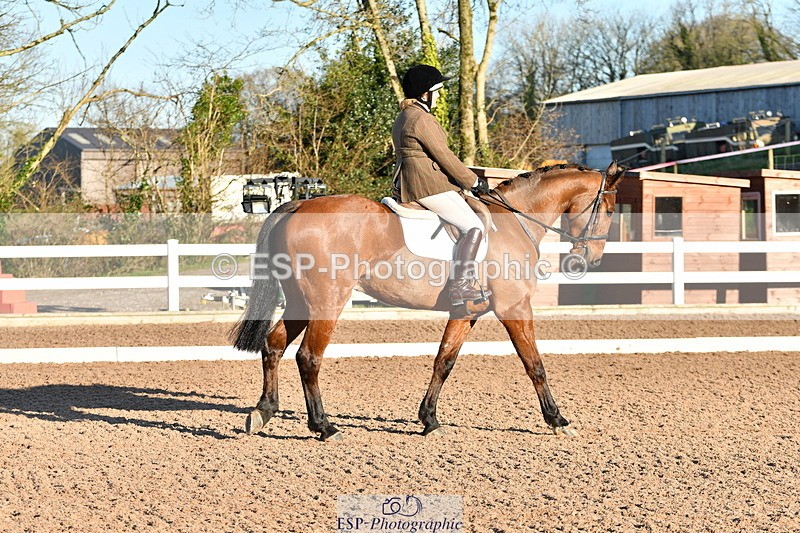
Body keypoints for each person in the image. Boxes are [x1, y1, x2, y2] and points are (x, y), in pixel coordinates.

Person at [392, 64, 491, 306]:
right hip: (426, 185)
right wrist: (473, 181)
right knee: (473, 226)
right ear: (426, 94)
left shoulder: (404, 115)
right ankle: (460, 285)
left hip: (408, 180)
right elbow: (444, 156)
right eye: (437, 90)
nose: (440, 95)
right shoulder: (422, 119)